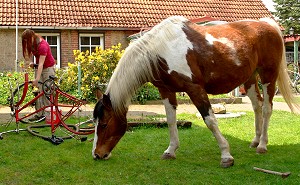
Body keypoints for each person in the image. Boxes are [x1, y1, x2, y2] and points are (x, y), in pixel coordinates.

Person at [21, 29, 56, 121]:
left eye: (27, 40)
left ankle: (49, 116)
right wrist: (32, 62)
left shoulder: (43, 45)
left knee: (47, 91)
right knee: (39, 92)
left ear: (32, 37)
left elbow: (41, 64)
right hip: (39, 67)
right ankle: (39, 115)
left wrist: (36, 79)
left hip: (48, 68)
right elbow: (33, 55)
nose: (26, 43)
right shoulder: (32, 43)